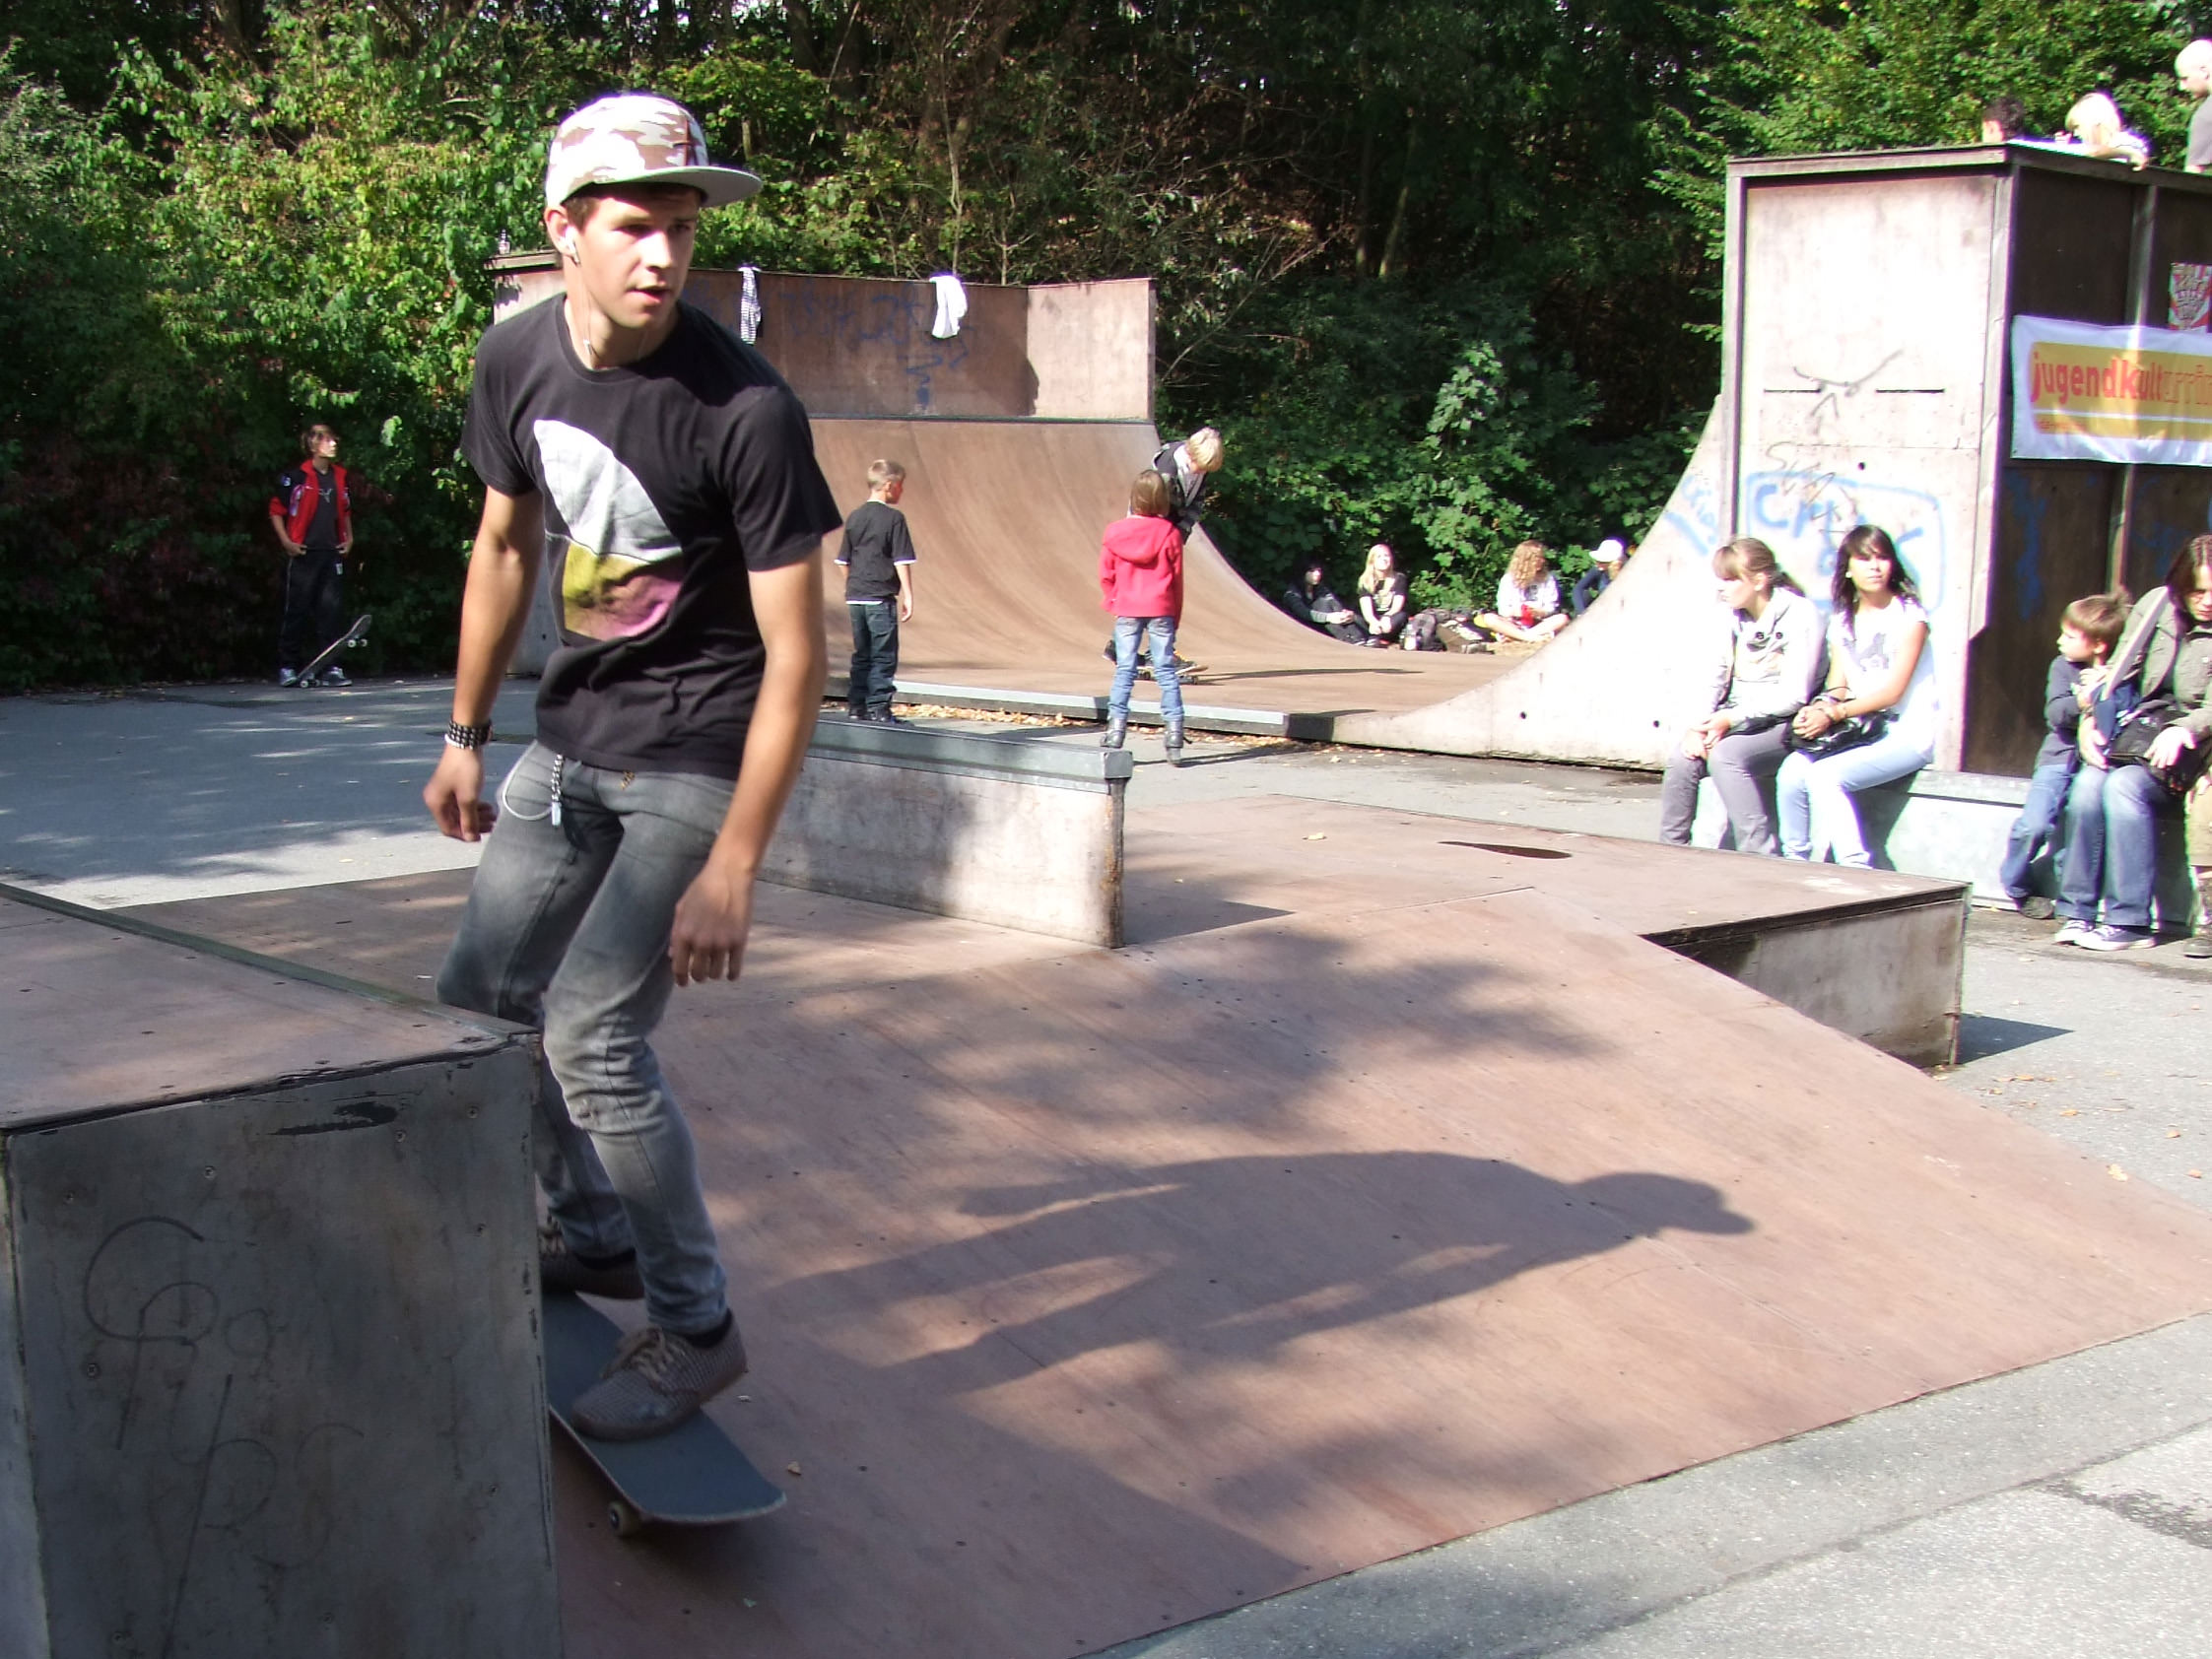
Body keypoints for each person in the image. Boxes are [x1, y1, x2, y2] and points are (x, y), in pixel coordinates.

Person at [422, 93, 843, 1441]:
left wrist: (737, 864)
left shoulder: (746, 409)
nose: (663, 256)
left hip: (694, 758)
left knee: (594, 1035)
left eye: (683, 229)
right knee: (477, 998)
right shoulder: (516, 359)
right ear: (565, 229)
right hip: (569, 742)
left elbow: (799, 655)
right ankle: (592, 1228)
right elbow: (503, 547)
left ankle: (696, 1326)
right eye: (632, 227)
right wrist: (465, 732)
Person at [2056, 538, 2212, 951]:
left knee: (2123, 787)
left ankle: (2129, 920)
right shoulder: (2157, 605)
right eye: (2198, 591)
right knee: (2088, 787)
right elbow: (2118, 672)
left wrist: (2184, 729)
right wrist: (2091, 720)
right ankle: (2077, 911)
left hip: (2192, 744)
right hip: (2139, 731)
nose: (2207, 601)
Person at [1776, 524, 1936, 867]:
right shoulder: (1843, 619)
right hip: (1861, 731)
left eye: (1882, 558)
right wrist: (1820, 707)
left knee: (1825, 776)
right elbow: (1839, 684)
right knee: (1790, 772)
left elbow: (1892, 693)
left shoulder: (1910, 616)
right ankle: (1793, 863)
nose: (1875, 567)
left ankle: (1855, 867)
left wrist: (1834, 714)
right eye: (1864, 559)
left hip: (1907, 734)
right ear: (1847, 568)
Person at [1657, 537, 1823, 857]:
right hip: (1733, 716)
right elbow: (1713, 677)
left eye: (1731, 579)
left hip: (1785, 722)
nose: (1722, 588)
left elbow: (1794, 695)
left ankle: (1759, 854)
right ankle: (1671, 853)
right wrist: (1697, 727)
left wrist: (1730, 719)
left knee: (1726, 756)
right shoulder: (1727, 615)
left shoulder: (1801, 614)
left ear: (1759, 581)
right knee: (1683, 758)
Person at [1998, 591, 2125, 918]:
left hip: (2094, 765)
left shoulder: (2120, 672)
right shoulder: (2063, 667)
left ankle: (2069, 898)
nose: (2059, 641)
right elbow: (2055, 714)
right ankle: (2016, 884)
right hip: (2058, 758)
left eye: (2069, 636)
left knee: (2077, 837)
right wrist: (2083, 700)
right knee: (2034, 825)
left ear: (2098, 645)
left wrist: (2108, 688)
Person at [1101, 426, 1221, 678]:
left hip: (1167, 533)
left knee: (1152, 591)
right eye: (1199, 467)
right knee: (1158, 591)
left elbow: (1196, 504)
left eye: (1206, 470)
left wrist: (1181, 533)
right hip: (1148, 530)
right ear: (1190, 453)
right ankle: (1159, 653)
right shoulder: (1168, 468)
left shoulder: (1201, 466)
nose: (1201, 473)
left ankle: (1118, 646)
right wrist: (1167, 540)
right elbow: (1157, 508)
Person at [1099, 468, 1186, 762]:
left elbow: (1106, 574)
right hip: (1161, 607)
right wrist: (1175, 615)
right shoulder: (1170, 534)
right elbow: (1176, 580)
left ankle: (1115, 730)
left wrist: (1114, 599)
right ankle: (1174, 733)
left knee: (1125, 669)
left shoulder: (1114, 532)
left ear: (1134, 498)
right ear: (1162, 500)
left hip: (1127, 607)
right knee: (1165, 670)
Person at [269, 423, 355, 687]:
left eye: (334, 439)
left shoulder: (339, 476)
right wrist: (286, 542)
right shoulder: (296, 477)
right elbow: (276, 510)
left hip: (331, 552)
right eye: (328, 440)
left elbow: (346, 509)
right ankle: (287, 666)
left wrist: (349, 538)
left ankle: (331, 668)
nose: (334, 444)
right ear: (314, 445)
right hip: (304, 552)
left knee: (331, 612)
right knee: (297, 609)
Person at [837, 458, 917, 724]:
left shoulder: (855, 517)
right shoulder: (894, 519)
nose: (902, 491)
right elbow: (901, 560)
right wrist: (908, 595)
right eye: (901, 486)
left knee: (862, 654)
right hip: (880, 598)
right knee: (883, 655)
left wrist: (853, 585)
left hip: (855, 597)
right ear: (889, 485)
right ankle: (879, 708)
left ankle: (856, 706)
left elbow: (843, 561)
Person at [1477, 541, 1569, 644]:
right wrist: (1518, 613)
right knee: (1489, 618)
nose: (1542, 561)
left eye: (1542, 557)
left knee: (1562, 618)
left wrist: (1539, 612)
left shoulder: (1548, 579)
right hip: (1514, 622)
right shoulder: (1509, 579)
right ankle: (1528, 637)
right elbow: (1503, 609)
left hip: (1538, 623)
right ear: (1526, 560)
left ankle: (1518, 637)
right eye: (1537, 558)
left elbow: (1551, 606)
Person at [1282, 562, 1365, 644]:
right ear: (1302, 573)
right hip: (1302, 628)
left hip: (1324, 622)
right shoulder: (1292, 593)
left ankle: (1359, 638)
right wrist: (1328, 617)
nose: (1318, 574)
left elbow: (1333, 602)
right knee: (1322, 604)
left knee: (1353, 616)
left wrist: (1344, 614)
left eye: (1319, 570)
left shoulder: (1321, 589)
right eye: (1312, 571)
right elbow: (1303, 612)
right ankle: (1348, 640)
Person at [1355, 542, 1410, 646]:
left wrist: (1387, 617)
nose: (1384, 559)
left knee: (1402, 616)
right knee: (1356, 618)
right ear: (1372, 561)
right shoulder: (1365, 581)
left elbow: (1397, 607)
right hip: (1372, 620)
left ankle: (1376, 638)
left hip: (1390, 619)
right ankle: (1372, 638)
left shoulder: (1399, 578)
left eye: (1386, 556)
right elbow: (1367, 611)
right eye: (1379, 556)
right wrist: (1373, 622)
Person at [1570, 537, 1630, 617]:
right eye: (1597, 561)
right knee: (1585, 595)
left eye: (1602, 561)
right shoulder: (1598, 570)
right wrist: (1581, 613)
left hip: (1623, 609)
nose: (1597, 564)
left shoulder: (1627, 572)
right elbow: (1578, 588)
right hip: (1604, 609)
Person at [2181, 41, 2212, 174]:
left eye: (2185, 78)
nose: (2182, 87)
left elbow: (2192, 176)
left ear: (2204, 71)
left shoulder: (2206, 116)